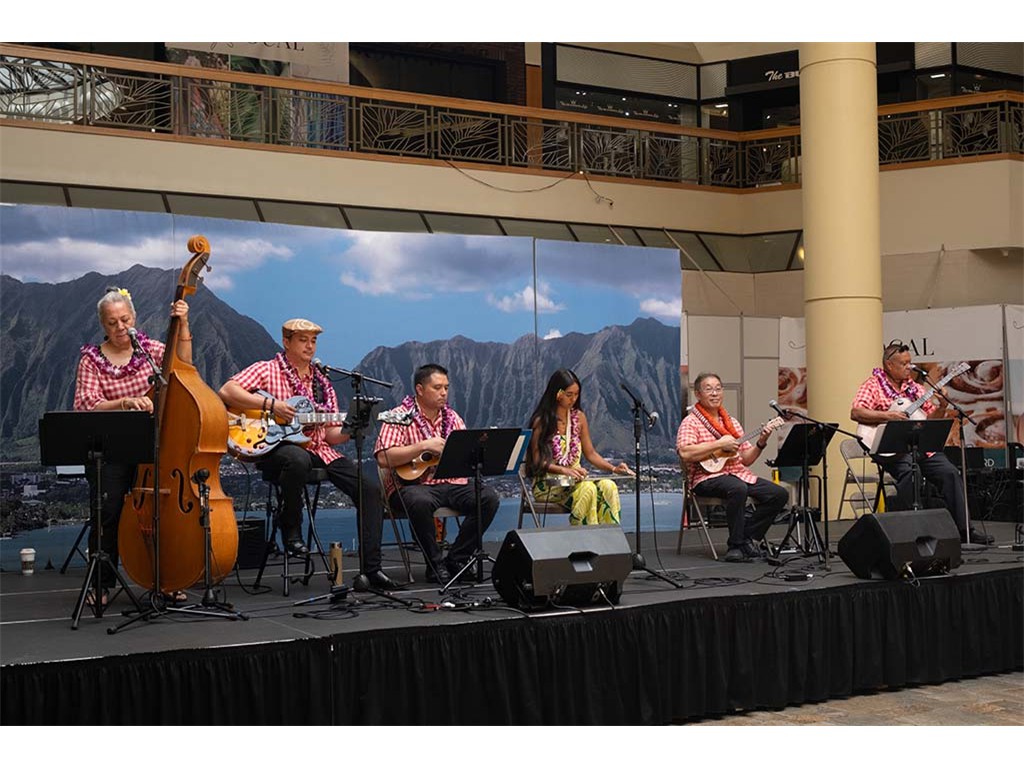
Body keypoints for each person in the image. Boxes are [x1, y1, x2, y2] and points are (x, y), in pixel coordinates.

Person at [218, 318, 401, 591]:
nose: (310, 346)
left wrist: (353, 428)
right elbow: (227, 391)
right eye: (303, 340)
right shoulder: (267, 369)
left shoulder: (322, 383)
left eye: (313, 341)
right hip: (275, 449)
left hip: (318, 448)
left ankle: (371, 569)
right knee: (297, 459)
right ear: (286, 342)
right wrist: (271, 404)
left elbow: (329, 434)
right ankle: (291, 528)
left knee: (370, 490)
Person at [73, 286, 193, 606]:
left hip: (152, 446)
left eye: (125, 320)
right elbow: (86, 405)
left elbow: (184, 366)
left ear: (135, 318)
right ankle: (102, 584)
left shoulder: (152, 351)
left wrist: (183, 323)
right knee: (108, 510)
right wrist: (124, 402)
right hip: (109, 449)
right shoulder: (91, 360)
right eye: (112, 322)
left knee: (160, 512)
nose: (120, 327)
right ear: (103, 325)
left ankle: (165, 580)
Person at [850, 340, 994, 544]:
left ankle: (964, 531)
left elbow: (931, 421)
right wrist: (888, 416)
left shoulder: (916, 389)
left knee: (949, 472)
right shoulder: (873, 385)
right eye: (903, 364)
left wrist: (942, 405)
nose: (909, 367)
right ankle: (912, 531)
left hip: (919, 447)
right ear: (889, 365)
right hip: (889, 448)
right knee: (911, 473)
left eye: (910, 362)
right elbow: (856, 412)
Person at [374, 363, 499, 584]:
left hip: (451, 483)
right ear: (420, 389)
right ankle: (435, 564)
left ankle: (457, 559)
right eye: (437, 387)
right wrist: (423, 446)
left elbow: (465, 455)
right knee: (419, 500)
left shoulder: (453, 418)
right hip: (411, 485)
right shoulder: (398, 416)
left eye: (446, 388)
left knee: (488, 498)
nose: (443, 393)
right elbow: (384, 457)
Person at [676, 372, 788, 562]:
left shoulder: (732, 422)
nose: (714, 393)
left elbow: (746, 459)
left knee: (779, 494)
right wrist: (719, 444)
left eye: (718, 389)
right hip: (705, 478)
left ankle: (747, 537)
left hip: (738, 474)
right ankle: (735, 546)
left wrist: (762, 441)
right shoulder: (691, 422)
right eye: (708, 389)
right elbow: (685, 452)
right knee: (737, 488)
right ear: (698, 394)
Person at [525, 368, 633, 525]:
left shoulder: (579, 418)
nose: (573, 399)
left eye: (576, 394)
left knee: (608, 486)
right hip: (549, 485)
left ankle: (608, 536)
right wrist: (564, 470)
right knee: (588, 489)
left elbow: (591, 453)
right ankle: (583, 537)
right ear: (557, 394)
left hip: (576, 481)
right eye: (569, 395)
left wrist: (614, 469)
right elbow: (537, 461)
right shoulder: (542, 421)